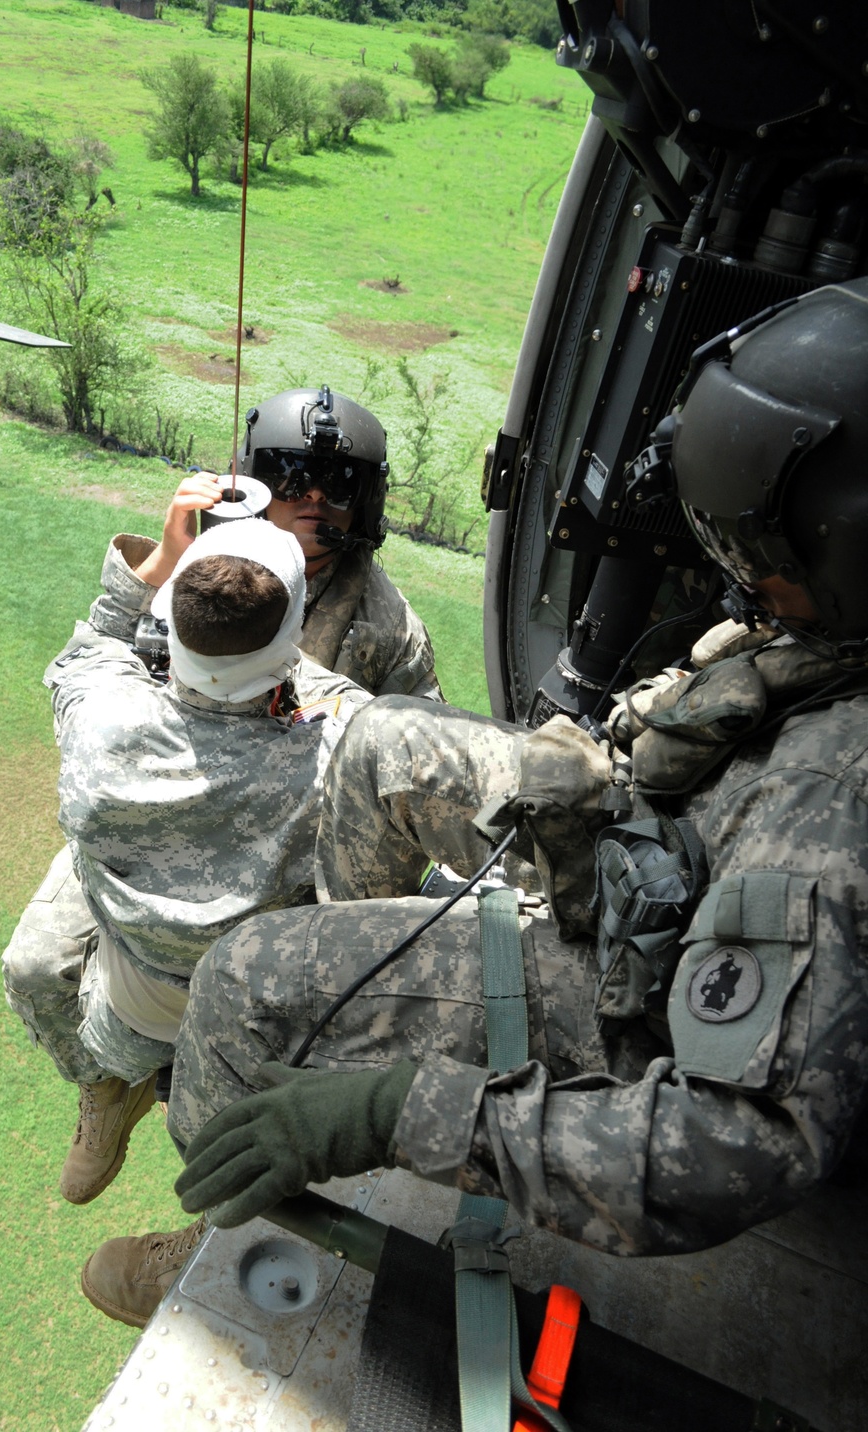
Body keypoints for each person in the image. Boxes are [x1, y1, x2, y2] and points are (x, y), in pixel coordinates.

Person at [83, 281, 868, 1327]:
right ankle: (345, 1004)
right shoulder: (832, 644)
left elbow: (740, 1141)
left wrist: (405, 1107)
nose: (742, 578)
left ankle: (230, 1230)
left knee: (239, 982)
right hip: (661, 867)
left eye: (765, 563)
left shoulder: (832, 786)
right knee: (375, 743)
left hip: (642, 996)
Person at [2, 385, 441, 1207]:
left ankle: (186, 1115)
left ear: (364, 499)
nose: (311, 503)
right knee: (33, 967)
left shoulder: (385, 623)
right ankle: (105, 1085)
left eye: (333, 486)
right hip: (156, 808)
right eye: (292, 480)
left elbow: (409, 748)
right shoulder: (206, 560)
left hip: (278, 847)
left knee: (269, 1035)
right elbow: (124, 652)